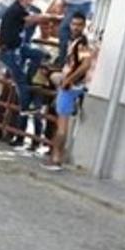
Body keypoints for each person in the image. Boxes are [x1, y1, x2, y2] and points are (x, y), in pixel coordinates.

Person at [0, 0, 58, 150]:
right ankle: (25, 114)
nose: (29, 2)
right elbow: (31, 19)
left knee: (37, 58)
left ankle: (30, 136)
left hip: (18, 52)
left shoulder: (18, 12)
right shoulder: (18, 11)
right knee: (22, 86)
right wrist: (53, 17)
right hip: (12, 52)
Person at [44, 12, 93, 171]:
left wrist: (68, 80)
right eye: (73, 24)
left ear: (84, 26)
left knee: (62, 125)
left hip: (70, 86)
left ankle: (56, 158)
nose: (75, 27)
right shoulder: (76, 42)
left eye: (79, 24)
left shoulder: (81, 44)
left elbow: (85, 65)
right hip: (72, 84)